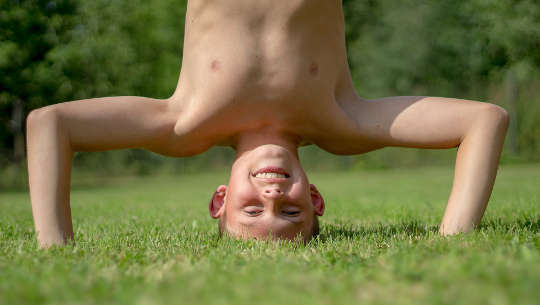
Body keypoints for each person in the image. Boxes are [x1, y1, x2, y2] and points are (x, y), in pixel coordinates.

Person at [26, 0, 509, 247]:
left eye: (252, 212)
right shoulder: (342, 123)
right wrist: (454, 240)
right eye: (294, 214)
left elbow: (51, 124)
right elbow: (484, 120)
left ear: (219, 200)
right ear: (316, 198)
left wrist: (54, 250)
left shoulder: (183, 125)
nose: (273, 198)